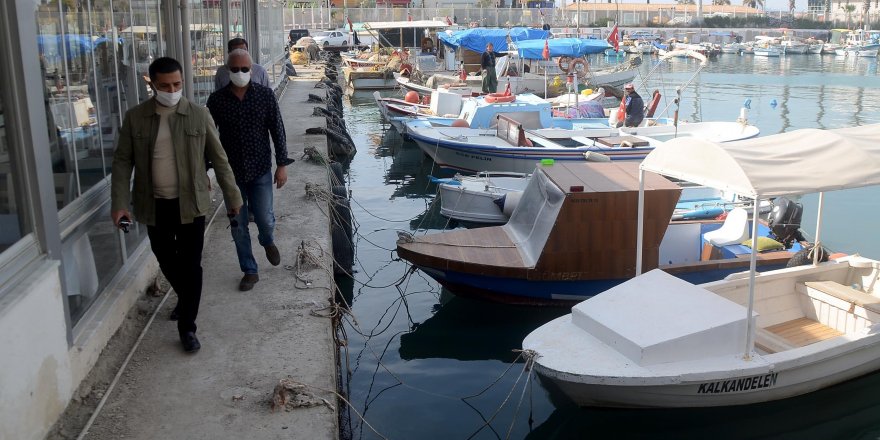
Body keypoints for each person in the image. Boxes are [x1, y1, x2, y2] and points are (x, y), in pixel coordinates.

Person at [111, 57, 243, 353]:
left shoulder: (198, 115)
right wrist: (119, 202)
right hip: (154, 205)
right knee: (166, 259)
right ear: (152, 84)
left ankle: (188, 327)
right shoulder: (136, 118)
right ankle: (186, 299)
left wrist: (233, 198)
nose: (172, 90)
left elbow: (220, 159)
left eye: (177, 84)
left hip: (191, 203)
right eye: (165, 85)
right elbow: (122, 162)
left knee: (191, 265)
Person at [206, 49, 295, 292]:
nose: (240, 73)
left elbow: (278, 130)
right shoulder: (216, 101)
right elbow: (208, 138)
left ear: (252, 69)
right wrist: (205, 170)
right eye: (234, 69)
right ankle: (249, 270)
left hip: (260, 169)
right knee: (238, 224)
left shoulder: (265, 96)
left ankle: (267, 241)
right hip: (230, 175)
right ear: (227, 70)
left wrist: (282, 165)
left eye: (244, 69)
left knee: (265, 218)